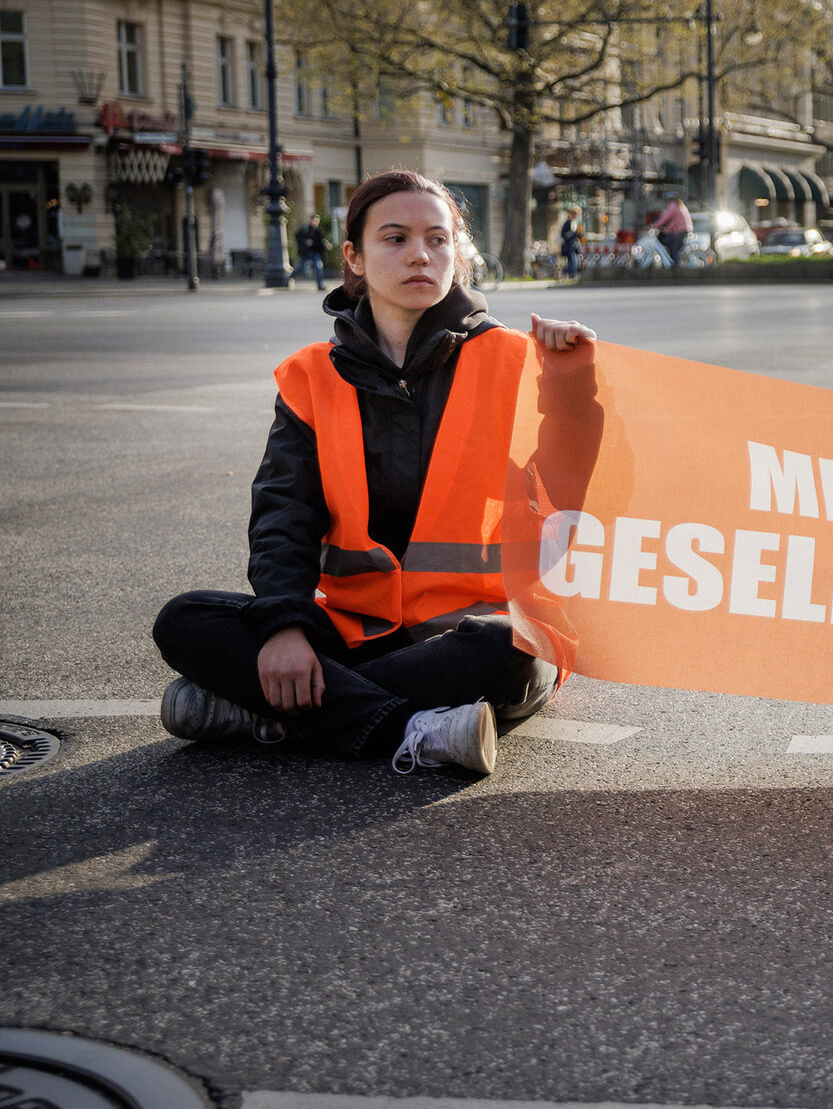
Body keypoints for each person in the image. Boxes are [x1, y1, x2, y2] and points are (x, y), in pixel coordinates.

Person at [150, 170, 597, 778]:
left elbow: (571, 495)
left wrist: (572, 391)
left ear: (456, 254)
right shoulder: (312, 376)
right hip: (357, 628)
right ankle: (410, 728)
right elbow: (284, 516)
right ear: (355, 257)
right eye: (395, 238)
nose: (420, 255)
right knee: (185, 620)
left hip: (478, 632)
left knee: (509, 650)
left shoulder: (519, 360)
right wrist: (284, 628)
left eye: (437, 239)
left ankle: (276, 711)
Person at [294, 213, 330, 292]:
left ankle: (320, 286)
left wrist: (326, 244)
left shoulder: (319, 230)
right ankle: (288, 279)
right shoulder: (305, 229)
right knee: (301, 268)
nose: (316, 222)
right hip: (306, 253)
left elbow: (321, 240)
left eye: (317, 221)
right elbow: (297, 236)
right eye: (314, 220)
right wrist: (305, 241)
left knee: (318, 267)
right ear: (310, 220)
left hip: (315, 252)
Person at [655, 195, 692, 267]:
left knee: (673, 248)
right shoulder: (679, 206)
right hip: (683, 229)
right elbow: (674, 220)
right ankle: (673, 264)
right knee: (672, 245)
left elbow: (665, 217)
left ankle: (675, 267)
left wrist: (655, 225)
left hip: (680, 230)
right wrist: (668, 228)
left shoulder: (673, 206)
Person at [558, 205, 584, 280]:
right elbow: (564, 235)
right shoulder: (568, 223)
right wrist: (575, 234)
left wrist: (579, 234)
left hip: (573, 246)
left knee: (573, 263)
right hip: (569, 246)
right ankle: (566, 274)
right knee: (574, 263)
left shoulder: (575, 223)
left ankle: (566, 274)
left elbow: (576, 235)